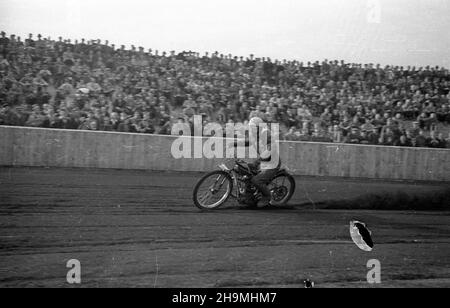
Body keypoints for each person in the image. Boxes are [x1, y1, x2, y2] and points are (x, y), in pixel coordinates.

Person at [229, 117, 281, 208]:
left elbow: (270, 150)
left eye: (253, 127)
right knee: (246, 173)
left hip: (272, 164)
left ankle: (267, 197)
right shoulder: (254, 134)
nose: (251, 129)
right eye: (250, 127)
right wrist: (234, 143)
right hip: (262, 161)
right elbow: (248, 142)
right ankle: (249, 198)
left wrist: (257, 162)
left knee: (256, 180)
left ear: (259, 127)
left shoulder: (267, 135)